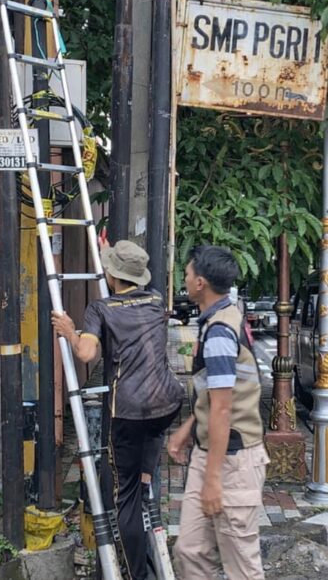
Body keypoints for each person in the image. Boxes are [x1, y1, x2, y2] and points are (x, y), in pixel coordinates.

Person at [52, 240, 186, 579]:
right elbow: (128, 282)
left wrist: (69, 331)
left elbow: (86, 354)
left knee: (125, 497)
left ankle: (137, 575)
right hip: (168, 402)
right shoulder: (156, 301)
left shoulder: (101, 309)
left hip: (130, 410)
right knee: (147, 452)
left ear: (111, 275)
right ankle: (145, 475)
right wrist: (111, 255)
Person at [168, 245, 269, 579]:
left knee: (241, 565)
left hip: (232, 461)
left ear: (200, 283)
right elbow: (216, 394)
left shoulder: (220, 333)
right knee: (190, 551)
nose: (184, 278)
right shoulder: (220, 316)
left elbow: (223, 410)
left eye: (187, 273)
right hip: (210, 452)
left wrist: (213, 480)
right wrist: (187, 429)